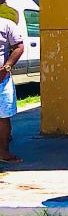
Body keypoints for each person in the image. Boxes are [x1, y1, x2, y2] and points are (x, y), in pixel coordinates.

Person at [0, 13, 25, 163]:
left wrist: (6, 67)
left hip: (1, 79)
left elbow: (19, 47)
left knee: (3, 117)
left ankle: (3, 152)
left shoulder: (6, 24)